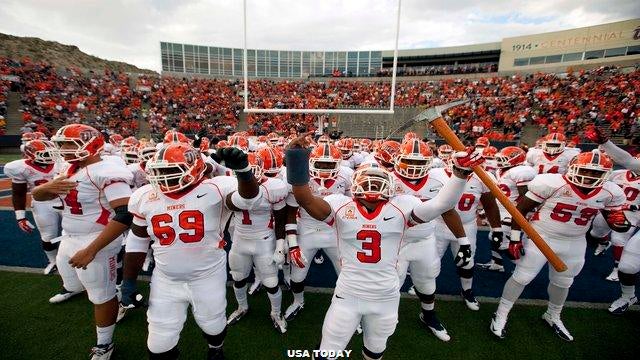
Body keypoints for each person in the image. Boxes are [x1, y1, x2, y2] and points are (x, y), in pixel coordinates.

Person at [285, 133, 482, 360]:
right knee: (329, 351)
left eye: (378, 182)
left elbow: (442, 204)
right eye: (368, 182)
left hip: (385, 296)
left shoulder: (402, 207)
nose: (373, 187)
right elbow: (305, 198)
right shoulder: (341, 206)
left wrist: (459, 174)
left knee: (375, 351)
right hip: (349, 294)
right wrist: (297, 158)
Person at [122, 143, 261, 359]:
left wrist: (243, 173)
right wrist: (129, 280)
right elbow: (138, 240)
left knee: (213, 325)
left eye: (169, 170)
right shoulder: (145, 196)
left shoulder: (216, 188)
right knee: (159, 343)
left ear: (194, 168)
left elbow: (248, 200)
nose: (162, 176)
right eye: (158, 171)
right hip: (166, 280)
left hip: (207, 276)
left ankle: (216, 348)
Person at [491, 151, 627, 341]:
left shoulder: (610, 192)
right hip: (541, 236)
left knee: (563, 282)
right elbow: (520, 210)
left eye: (596, 173)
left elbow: (614, 220)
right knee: (522, 277)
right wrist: (515, 239)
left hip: (575, 241)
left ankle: (553, 315)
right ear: (573, 168)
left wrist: (619, 222)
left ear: (606, 174)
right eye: (585, 170)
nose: (589, 176)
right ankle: (501, 313)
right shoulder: (552, 183)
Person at [32, 124, 135, 360]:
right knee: (75, 284)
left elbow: (125, 214)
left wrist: (91, 250)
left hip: (96, 240)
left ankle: (105, 344)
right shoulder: (72, 169)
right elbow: (40, 196)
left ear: (93, 144)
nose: (65, 149)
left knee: (101, 294)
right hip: (69, 235)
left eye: (70, 144)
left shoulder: (106, 170)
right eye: (62, 144)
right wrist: (45, 188)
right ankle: (112, 292)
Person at [284, 143, 353, 321]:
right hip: (307, 229)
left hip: (334, 231)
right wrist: (292, 245)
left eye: (329, 165)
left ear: (339, 163)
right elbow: (290, 212)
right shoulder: (300, 177)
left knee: (346, 274)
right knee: (297, 275)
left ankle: (346, 308)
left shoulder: (346, 176)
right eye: (320, 164)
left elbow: (353, 208)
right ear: (310, 162)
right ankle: (298, 301)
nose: (324, 169)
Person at [226, 150, 289, 334]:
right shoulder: (229, 186)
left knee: (271, 282)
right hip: (239, 240)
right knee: (238, 278)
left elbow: (281, 219)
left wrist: (279, 246)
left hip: (264, 241)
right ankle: (242, 307)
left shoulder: (274, 188)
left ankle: (276, 313)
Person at [4, 139, 62, 274]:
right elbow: (18, 193)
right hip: (42, 204)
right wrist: (20, 217)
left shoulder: (61, 162)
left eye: (51, 153)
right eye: (45, 154)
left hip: (65, 201)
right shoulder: (20, 168)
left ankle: (69, 257)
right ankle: (53, 261)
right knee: (48, 236)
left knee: (74, 232)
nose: (51, 157)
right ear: (31, 155)